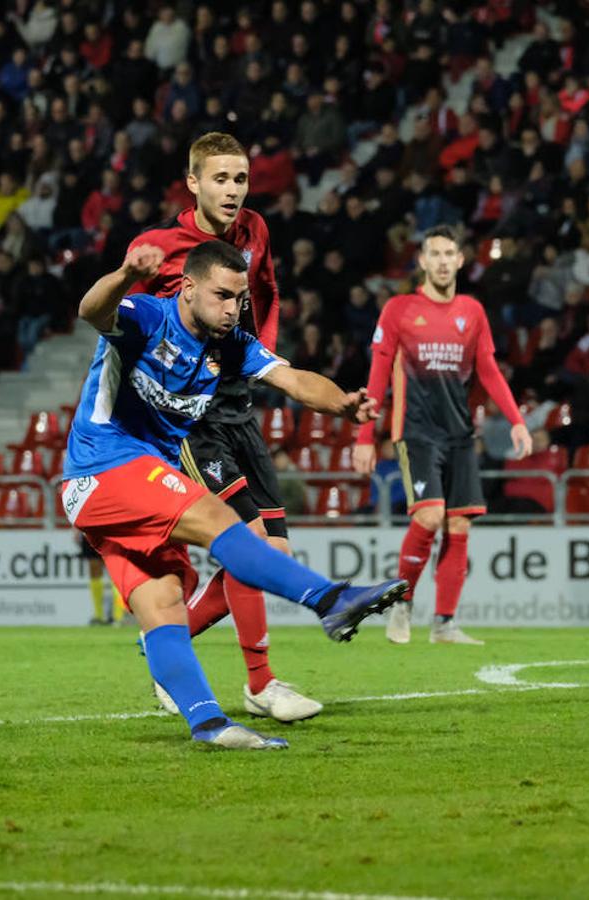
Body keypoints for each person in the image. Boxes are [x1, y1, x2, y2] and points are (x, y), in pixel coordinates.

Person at [65, 239, 407, 749]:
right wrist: (123, 274)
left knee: (163, 605)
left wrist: (342, 404)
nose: (233, 309)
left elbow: (291, 379)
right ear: (187, 288)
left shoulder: (232, 345)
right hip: (105, 465)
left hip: (118, 490)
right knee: (218, 516)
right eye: (222, 296)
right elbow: (91, 310)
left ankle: (208, 724)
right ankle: (328, 598)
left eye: (240, 299)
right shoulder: (145, 315)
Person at [125, 132, 318, 724]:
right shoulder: (157, 246)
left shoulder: (255, 232)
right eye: (221, 179)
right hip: (190, 415)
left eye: (240, 179)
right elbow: (124, 328)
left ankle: (165, 642)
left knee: (275, 549)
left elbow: (268, 295)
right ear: (194, 182)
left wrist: (268, 363)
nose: (233, 190)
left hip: (239, 404)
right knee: (252, 541)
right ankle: (261, 684)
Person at [352, 225, 532, 646]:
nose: (443, 261)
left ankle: (445, 624)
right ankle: (401, 603)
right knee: (429, 517)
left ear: (461, 260)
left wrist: (517, 420)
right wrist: (364, 437)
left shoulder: (473, 311)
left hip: (460, 434)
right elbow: (377, 376)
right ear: (422, 261)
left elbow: (488, 370)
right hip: (415, 432)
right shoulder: (398, 309)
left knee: (460, 527)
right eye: (435, 254)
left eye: (450, 253)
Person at [81, 534, 124, 626]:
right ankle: (99, 615)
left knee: (116, 572)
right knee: (94, 570)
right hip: (90, 531)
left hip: (111, 531)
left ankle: (118, 616)